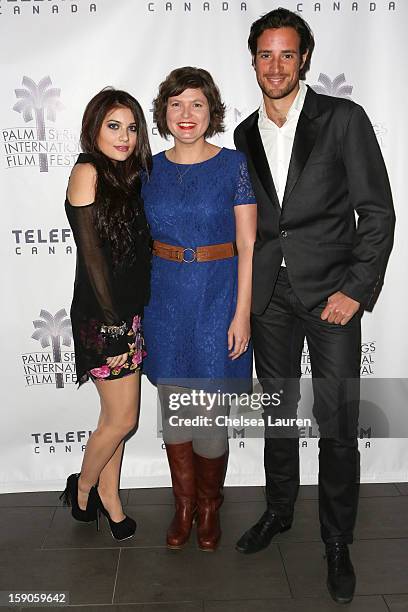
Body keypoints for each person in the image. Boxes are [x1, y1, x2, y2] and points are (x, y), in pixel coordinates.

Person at [233, 8, 395, 604]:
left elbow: (377, 213)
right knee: (277, 417)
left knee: (337, 427)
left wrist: (355, 289)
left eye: (286, 54)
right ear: (253, 60)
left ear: (304, 58)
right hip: (271, 299)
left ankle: (336, 541)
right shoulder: (245, 134)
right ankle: (279, 511)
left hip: (332, 299)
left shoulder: (343, 119)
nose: (275, 65)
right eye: (265, 55)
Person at [142, 67, 257, 552]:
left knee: (209, 414)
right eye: (176, 104)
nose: (185, 114)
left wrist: (242, 313)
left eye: (196, 104)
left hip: (218, 298)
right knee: (176, 414)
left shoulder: (233, 165)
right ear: (163, 112)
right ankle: (183, 505)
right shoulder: (147, 167)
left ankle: (209, 505)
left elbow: (248, 245)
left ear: (211, 112)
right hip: (164, 299)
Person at [60, 88, 152, 541]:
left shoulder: (127, 177)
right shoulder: (87, 171)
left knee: (115, 419)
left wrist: (131, 317)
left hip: (128, 315)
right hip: (102, 318)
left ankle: (111, 501)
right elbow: (93, 260)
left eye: (132, 127)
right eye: (114, 126)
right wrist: (116, 321)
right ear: (94, 127)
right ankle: (83, 488)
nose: (125, 136)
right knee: (123, 420)